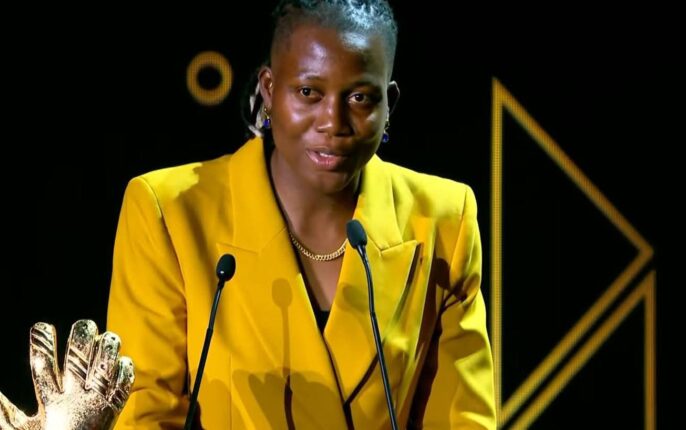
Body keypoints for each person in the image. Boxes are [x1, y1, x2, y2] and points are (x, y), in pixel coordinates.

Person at [107, 0, 496, 428]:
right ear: (269, 90)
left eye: (360, 98)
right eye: (309, 92)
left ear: (390, 104)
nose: (333, 122)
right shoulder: (170, 212)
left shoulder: (443, 220)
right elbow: (145, 413)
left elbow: (462, 419)